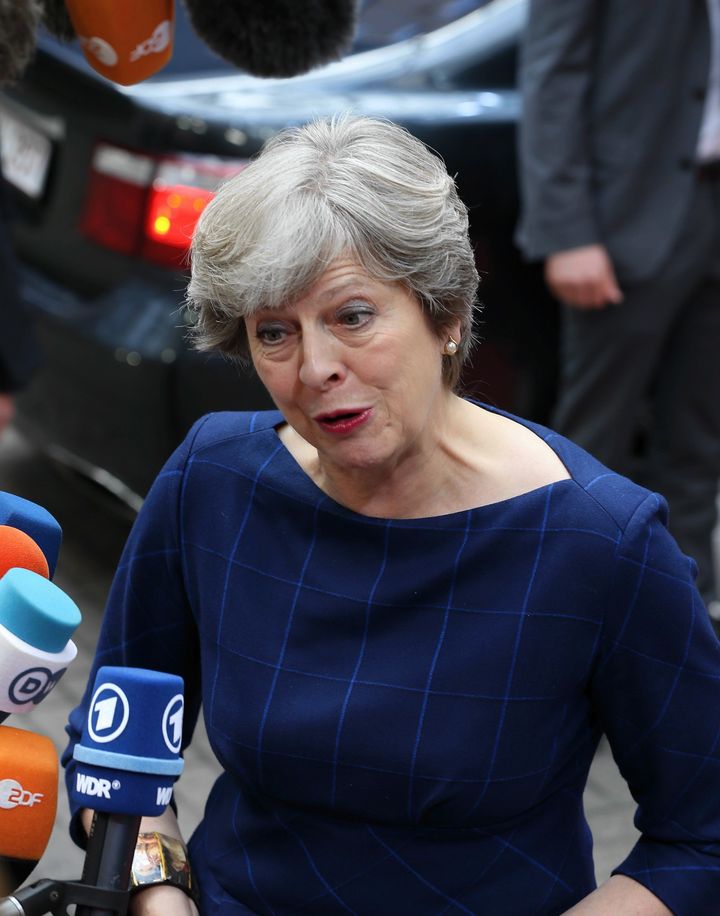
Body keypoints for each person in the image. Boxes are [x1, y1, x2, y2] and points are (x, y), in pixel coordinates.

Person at [63, 115, 720, 915]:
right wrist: (160, 897)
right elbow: (112, 761)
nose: (315, 368)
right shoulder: (213, 480)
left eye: (352, 316)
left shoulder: (599, 541)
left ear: (443, 316)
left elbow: (702, 836)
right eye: (275, 332)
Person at [516, 0, 720, 613]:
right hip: (628, 214)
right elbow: (552, 76)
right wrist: (567, 232)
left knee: (699, 442)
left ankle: (685, 613)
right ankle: (567, 609)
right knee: (594, 438)